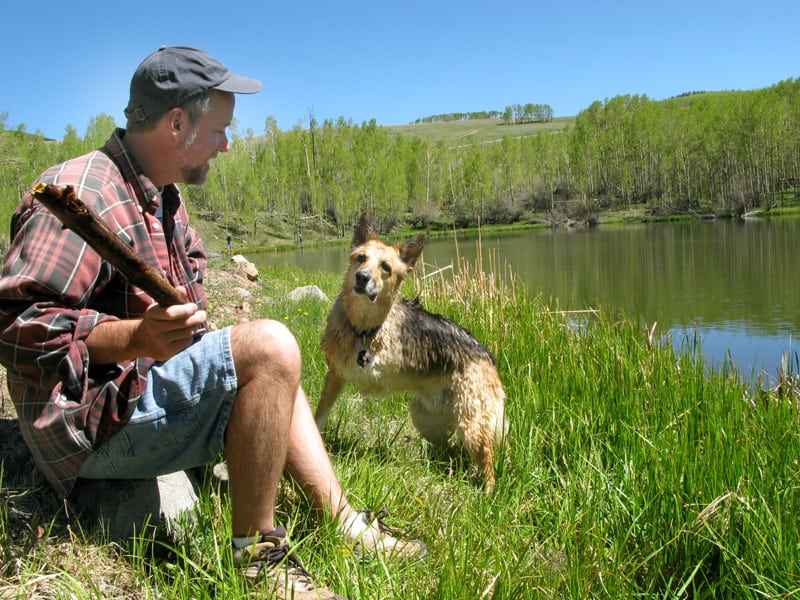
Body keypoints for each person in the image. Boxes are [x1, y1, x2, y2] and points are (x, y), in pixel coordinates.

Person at [0, 46, 424, 600]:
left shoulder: (163, 196)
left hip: (139, 392)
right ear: (177, 123)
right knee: (270, 345)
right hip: (88, 425)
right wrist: (137, 337)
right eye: (221, 129)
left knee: (279, 356)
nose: (227, 143)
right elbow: (16, 326)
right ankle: (257, 560)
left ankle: (342, 521)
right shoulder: (85, 194)